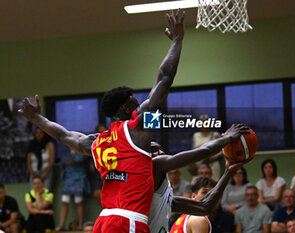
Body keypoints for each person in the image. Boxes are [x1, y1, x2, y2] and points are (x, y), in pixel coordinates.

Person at [20, 9, 186, 233]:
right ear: (127, 109)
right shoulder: (137, 128)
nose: (141, 107)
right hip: (127, 220)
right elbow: (165, 79)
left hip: (104, 220)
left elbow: (63, 135)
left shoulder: (98, 141)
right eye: (136, 105)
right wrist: (177, 40)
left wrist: (37, 118)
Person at [18, 94, 251, 233]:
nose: (159, 150)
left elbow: (205, 207)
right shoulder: (154, 166)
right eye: (154, 149)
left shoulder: (162, 194)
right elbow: (199, 151)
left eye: (159, 147)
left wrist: (229, 170)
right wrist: (225, 139)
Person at [56, 149, 91, 231]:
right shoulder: (66, 152)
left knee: (78, 201)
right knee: (65, 200)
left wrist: (72, 159)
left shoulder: (82, 150)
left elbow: (81, 160)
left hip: (79, 178)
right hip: (67, 179)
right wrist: (71, 159)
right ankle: (61, 225)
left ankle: (80, 224)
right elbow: (63, 162)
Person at [191, 114, 221, 181]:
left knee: (212, 183)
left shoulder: (215, 135)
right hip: (199, 163)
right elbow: (193, 150)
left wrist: (215, 156)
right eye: (202, 122)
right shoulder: (196, 135)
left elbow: (222, 150)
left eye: (206, 122)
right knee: (197, 183)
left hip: (212, 163)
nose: (204, 124)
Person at [90, 125, 106, 205]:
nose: (102, 134)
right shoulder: (94, 144)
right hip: (98, 174)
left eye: (103, 132)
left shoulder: (110, 142)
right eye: (100, 132)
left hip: (109, 173)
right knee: (97, 193)